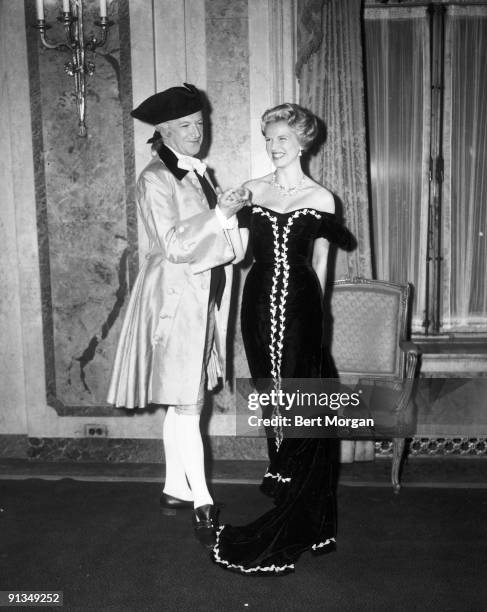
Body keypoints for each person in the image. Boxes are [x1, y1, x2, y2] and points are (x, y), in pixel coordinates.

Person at [210, 103, 353, 575]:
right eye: (269, 138)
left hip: (302, 308)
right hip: (257, 305)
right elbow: (238, 253)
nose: (274, 147)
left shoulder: (323, 198)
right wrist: (226, 215)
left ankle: (306, 512)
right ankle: (286, 487)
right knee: (271, 395)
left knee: (301, 396)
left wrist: (320, 321)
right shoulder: (253, 190)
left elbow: (320, 269)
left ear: (303, 142)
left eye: (282, 139)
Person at [107, 83, 248, 549]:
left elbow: (218, 238)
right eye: (186, 126)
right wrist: (220, 216)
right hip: (173, 300)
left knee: (181, 399)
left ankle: (174, 488)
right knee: (189, 404)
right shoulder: (156, 177)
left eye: (200, 125)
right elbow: (172, 245)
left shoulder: (198, 174)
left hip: (199, 295)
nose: (195, 133)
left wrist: (229, 217)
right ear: (164, 132)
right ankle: (203, 502)